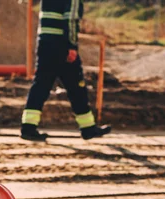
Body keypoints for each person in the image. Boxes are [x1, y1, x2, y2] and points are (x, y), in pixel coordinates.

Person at [21, 0, 111, 142]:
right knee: (77, 86)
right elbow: (71, 19)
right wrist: (72, 46)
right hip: (61, 46)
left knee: (41, 85)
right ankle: (88, 128)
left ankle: (28, 127)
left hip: (45, 44)